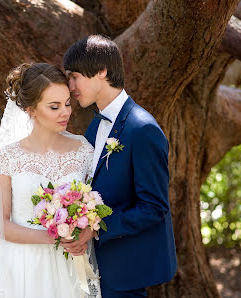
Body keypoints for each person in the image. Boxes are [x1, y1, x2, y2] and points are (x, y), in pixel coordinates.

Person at [60, 35, 178, 297]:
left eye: (75, 76)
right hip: (95, 267)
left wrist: (96, 227)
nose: (70, 86)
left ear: (101, 71)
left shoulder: (142, 128)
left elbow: (154, 207)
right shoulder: (95, 125)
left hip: (126, 270)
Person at [0, 63, 101, 298]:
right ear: (31, 109)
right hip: (25, 267)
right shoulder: (8, 157)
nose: (65, 112)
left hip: (71, 264)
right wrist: (55, 236)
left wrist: (86, 231)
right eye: (54, 107)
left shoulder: (83, 150)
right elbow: (1, 225)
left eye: (67, 103)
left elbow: (97, 205)